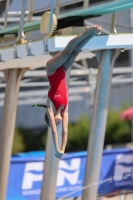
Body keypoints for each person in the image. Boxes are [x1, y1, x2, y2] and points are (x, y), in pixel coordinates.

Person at [31, 25, 102, 159]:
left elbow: (54, 131)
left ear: (49, 115)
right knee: (75, 53)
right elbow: (65, 131)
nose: (58, 123)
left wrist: (56, 148)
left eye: (56, 122)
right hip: (62, 70)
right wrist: (63, 149)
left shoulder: (50, 106)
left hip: (52, 70)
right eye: (58, 123)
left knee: (68, 52)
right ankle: (91, 35)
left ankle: (85, 32)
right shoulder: (64, 109)